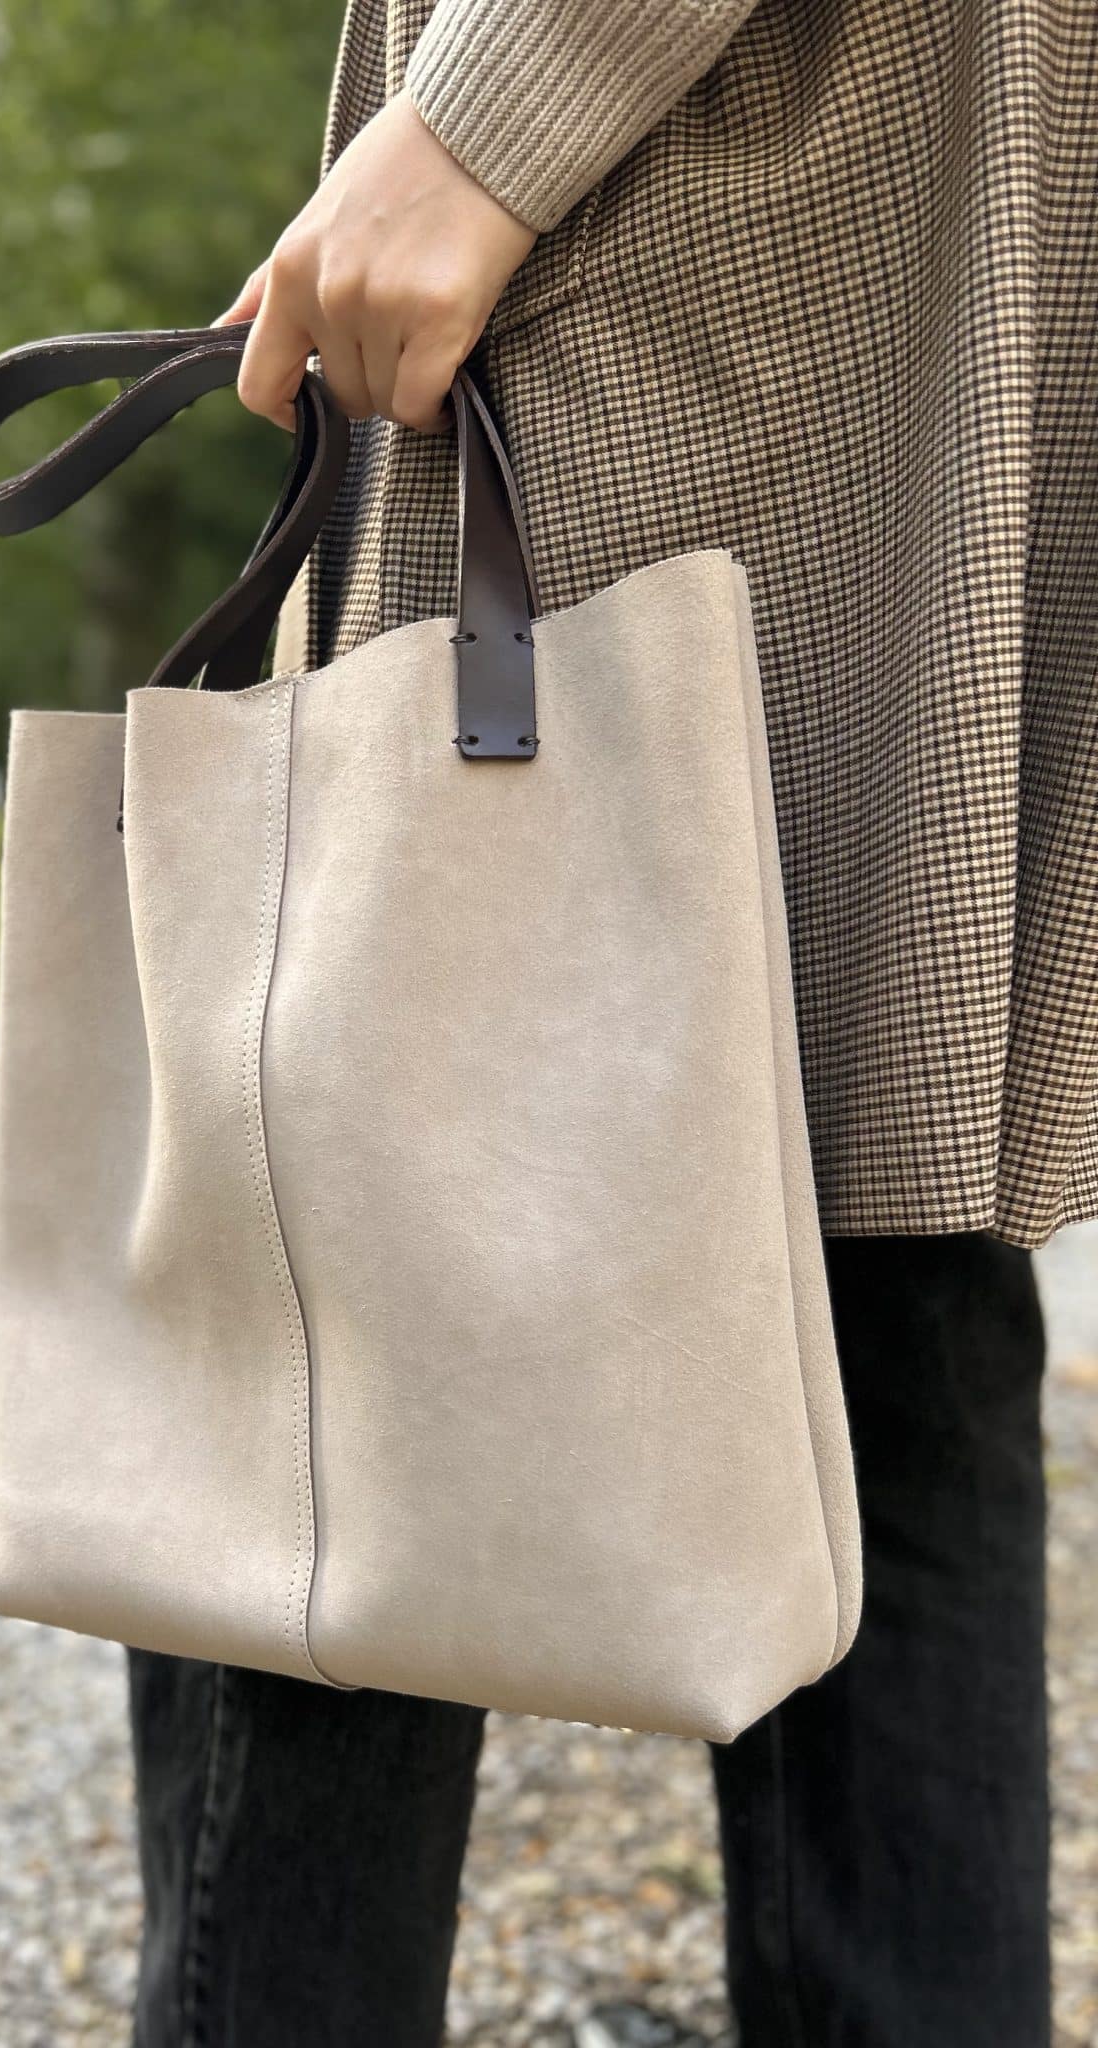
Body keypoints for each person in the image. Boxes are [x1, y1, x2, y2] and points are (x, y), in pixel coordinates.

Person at [126, 2, 1096, 2042]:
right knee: (871, 1230)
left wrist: (485, 121)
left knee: (352, 1245)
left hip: (702, 203)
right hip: (915, 250)